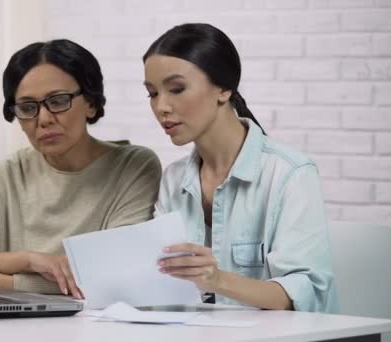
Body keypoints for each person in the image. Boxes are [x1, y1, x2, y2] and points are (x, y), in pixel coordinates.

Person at [0, 39, 162, 299]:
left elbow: (116, 272)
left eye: (57, 101)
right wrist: (29, 260)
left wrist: (4, 282)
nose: (43, 119)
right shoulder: (5, 175)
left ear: (90, 102)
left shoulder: (134, 167)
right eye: (27, 108)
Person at [143, 23, 337, 312]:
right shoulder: (173, 178)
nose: (162, 107)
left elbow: (306, 293)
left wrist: (217, 279)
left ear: (223, 88)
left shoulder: (290, 173)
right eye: (152, 93)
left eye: (176, 89)